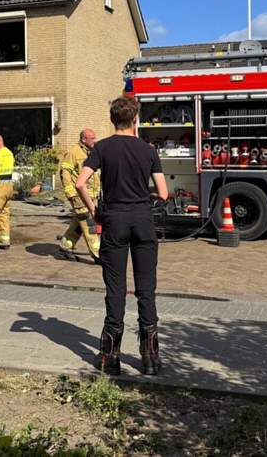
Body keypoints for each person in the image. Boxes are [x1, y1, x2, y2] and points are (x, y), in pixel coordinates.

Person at [76, 96, 168, 376]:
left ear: (112, 120)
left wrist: (95, 212)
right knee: (146, 289)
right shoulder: (148, 150)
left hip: (114, 219)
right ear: (135, 120)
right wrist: (144, 193)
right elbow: (163, 193)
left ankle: (110, 356)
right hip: (143, 219)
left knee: (115, 288)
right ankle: (150, 357)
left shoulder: (101, 147)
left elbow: (80, 183)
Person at [58, 129, 101, 263]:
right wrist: (71, 193)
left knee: (78, 224)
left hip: (89, 196)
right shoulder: (73, 152)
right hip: (78, 196)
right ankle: (98, 255)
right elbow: (64, 174)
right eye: (92, 138)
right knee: (89, 225)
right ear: (83, 139)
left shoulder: (90, 152)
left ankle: (65, 248)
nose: (94, 141)